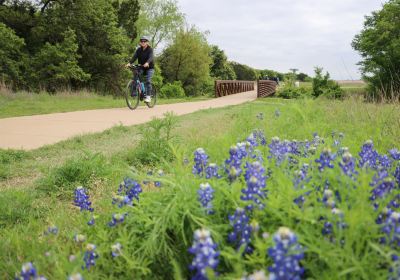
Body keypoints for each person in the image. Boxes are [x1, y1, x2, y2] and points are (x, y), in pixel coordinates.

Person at [126, 36, 154, 103]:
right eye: (142, 41)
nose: (143, 42)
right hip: (141, 67)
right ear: (140, 42)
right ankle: (134, 93)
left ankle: (148, 96)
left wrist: (147, 63)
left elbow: (151, 57)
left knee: (148, 80)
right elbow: (134, 57)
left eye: (144, 41)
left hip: (149, 68)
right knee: (135, 76)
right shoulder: (139, 50)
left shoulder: (150, 49)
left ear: (147, 42)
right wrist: (129, 63)